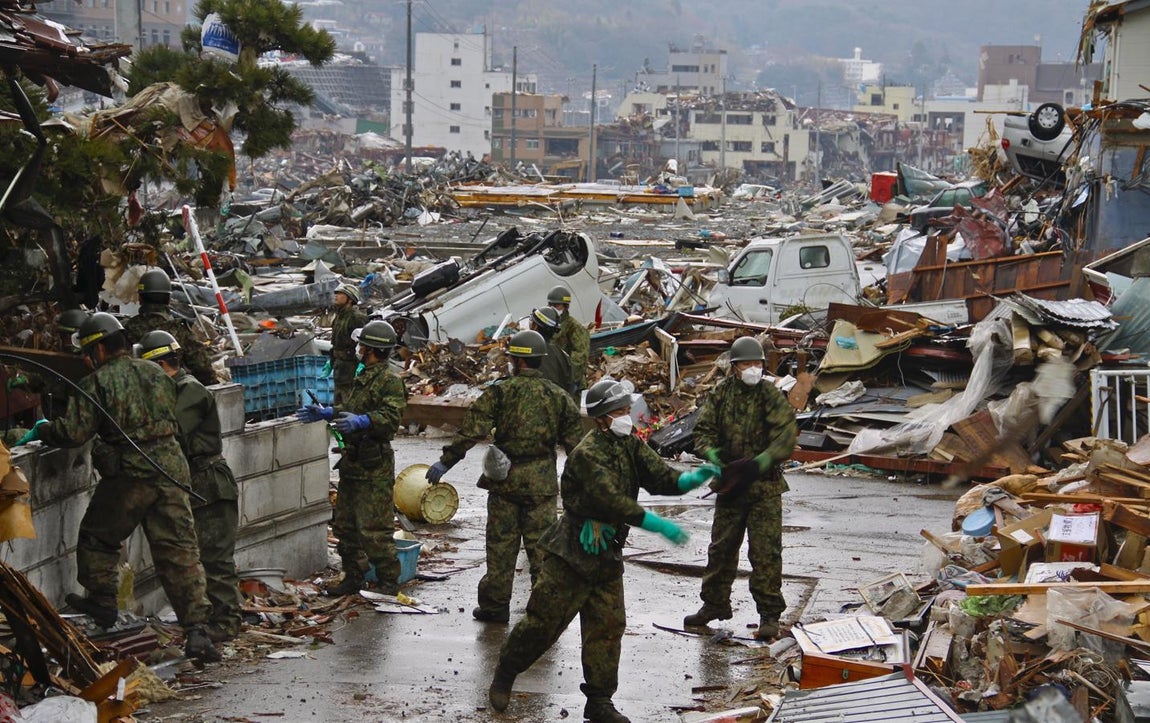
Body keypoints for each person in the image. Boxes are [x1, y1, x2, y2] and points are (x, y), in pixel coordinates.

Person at [488, 380, 719, 722]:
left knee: (607, 628)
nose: (627, 417)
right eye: (619, 412)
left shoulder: (629, 444)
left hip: (606, 553)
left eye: (627, 410)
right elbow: (611, 499)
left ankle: (599, 701)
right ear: (600, 420)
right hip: (571, 552)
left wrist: (692, 478)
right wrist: (659, 525)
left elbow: (658, 476)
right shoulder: (587, 454)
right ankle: (506, 671)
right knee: (543, 624)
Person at [18, 312, 220, 662]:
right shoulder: (155, 372)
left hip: (130, 475)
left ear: (97, 351)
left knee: (98, 536)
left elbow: (74, 433)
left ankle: (102, 601)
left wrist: (45, 428)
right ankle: (198, 632)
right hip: (172, 471)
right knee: (180, 555)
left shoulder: (97, 383)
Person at [426, 329, 583, 623]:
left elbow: (471, 431)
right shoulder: (559, 397)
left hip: (505, 482)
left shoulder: (499, 392)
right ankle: (546, 609)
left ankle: (495, 606)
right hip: (541, 485)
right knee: (542, 550)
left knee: (501, 546)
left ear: (516, 360)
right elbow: (577, 447)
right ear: (538, 360)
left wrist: (446, 462)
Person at [685, 336, 797, 641]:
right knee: (721, 549)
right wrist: (712, 455)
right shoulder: (721, 394)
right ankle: (714, 604)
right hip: (731, 485)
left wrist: (761, 461)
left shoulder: (770, 395)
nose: (753, 369)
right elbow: (704, 431)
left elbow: (786, 436)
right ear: (734, 368)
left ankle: (769, 614)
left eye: (757, 363)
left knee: (765, 554)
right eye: (747, 364)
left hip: (764, 487)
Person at [138, 330, 243, 642]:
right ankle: (212, 619)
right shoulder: (173, 389)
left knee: (215, 559)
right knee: (195, 558)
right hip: (191, 482)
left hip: (208, 483)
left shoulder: (189, 389)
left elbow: (169, 429)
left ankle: (225, 623)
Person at [297, 320, 407, 597]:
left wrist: (364, 421)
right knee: (345, 524)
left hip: (374, 464)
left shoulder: (389, 381)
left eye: (361, 345)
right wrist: (329, 412)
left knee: (375, 528)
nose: (357, 348)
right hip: (353, 462)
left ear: (371, 349)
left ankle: (388, 581)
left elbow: (391, 419)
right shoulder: (364, 375)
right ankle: (353, 576)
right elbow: (351, 409)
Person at [122, 269, 217, 386]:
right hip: (175, 393)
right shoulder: (179, 329)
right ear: (168, 299)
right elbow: (202, 368)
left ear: (140, 299)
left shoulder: (127, 329)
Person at [547, 285, 590, 396]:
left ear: (565, 306)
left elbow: (580, 356)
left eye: (557, 305)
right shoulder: (549, 324)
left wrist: (569, 379)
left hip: (570, 382)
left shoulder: (574, 327)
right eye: (551, 305)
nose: (553, 308)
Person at [329, 283, 367, 404]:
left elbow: (363, 345)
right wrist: (332, 359)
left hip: (351, 370)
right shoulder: (339, 317)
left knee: (349, 405)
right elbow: (336, 342)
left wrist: (362, 365)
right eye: (336, 293)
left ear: (350, 299)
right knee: (338, 404)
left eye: (340, 294)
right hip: (339, 369)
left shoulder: (356, 318)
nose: (336, 296)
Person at [529, 306, 574, 395]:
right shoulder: (563, 355)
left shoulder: (529, 353)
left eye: (531, 321)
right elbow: (571, 384)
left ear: (535, 326)